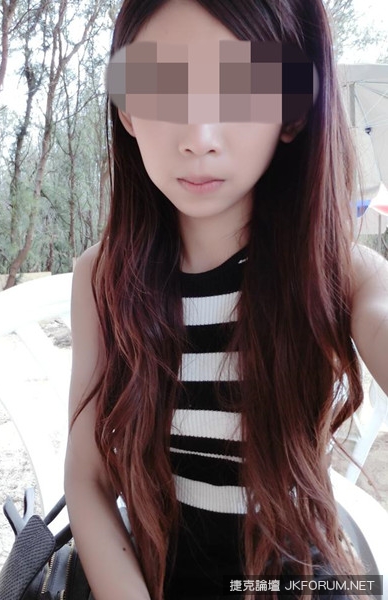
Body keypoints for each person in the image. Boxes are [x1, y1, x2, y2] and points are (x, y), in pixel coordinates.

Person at [64, 1, 388, 599]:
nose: (199, 137)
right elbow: (86, 479)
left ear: (292, 111)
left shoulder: (337, 272)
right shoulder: (102, 278)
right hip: (152, 572)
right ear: (127, 107)